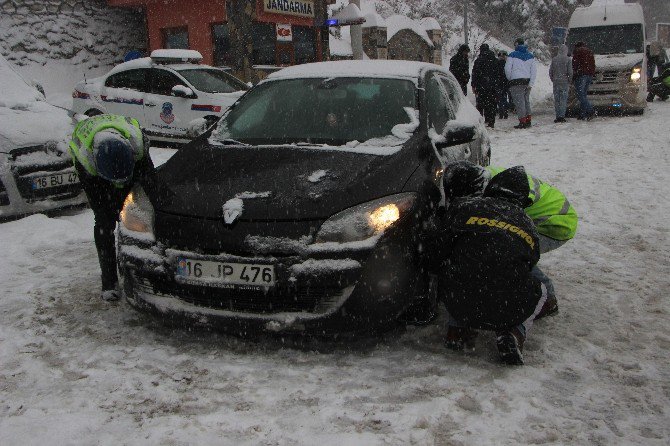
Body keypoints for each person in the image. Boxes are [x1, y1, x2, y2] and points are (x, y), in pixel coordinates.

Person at [433, 163, 547, 365]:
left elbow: (440, 249)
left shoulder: (465, 208)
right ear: (522, 199)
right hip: (507, 307)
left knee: (458, 265)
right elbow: (530, 264)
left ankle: (456, 330)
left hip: (459, 300)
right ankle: (513, 332)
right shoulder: (527, 223)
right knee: (542, 289)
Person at [68, 114, 154, 301]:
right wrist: (111, 209)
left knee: (150, 201)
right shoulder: (87, 161)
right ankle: (109, 283)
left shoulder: (138, 146)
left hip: (122, 148)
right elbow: (101, 204)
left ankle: (150, 269)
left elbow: (152, 183)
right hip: (94, 170)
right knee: (104, 222)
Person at [505, 38, 537, 129]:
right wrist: (531, 83)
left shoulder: (512, 55)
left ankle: (522, 121)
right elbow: (533, 71)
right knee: (526, 101)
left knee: (519, 102)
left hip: (516, 81)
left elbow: (507, 69)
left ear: (517, 44)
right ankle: (528, 120)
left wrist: (510, 78)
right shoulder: (530, 56)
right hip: (527, 81)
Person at [471, 43, 504, 128]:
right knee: (492, 103)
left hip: (481, 85)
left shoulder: (478, 60)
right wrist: (497, 83)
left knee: (481, 103)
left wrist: (473, 85)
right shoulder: (495, 60)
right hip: (492, 85)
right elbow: (499, 73)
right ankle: (491, 120)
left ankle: (481, 120)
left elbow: (475, 73)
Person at [549, 44, 573, 123]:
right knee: (563, 99)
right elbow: (570, 72)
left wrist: (553, 79)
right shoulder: (568, 59)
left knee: (557, 99)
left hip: (556, 81)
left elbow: (550, 71)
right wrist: (569, 80)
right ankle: (561, 116)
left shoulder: (554, 59)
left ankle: (557, 115)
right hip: (564, 82)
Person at [572, 41, 596, 120]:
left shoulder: (577, 52)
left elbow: (575, 65)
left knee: (580, 95)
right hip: (589, 75)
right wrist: (591, 73)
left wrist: (574, 75)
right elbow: (593, 64)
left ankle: (590, 111)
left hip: (581, 75)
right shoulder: (590, 52)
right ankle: (582, 113)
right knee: (584, 95)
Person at [496, 51, 510, 119]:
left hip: (498, 83)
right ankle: (505, 112)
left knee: (499, 98)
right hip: (505, 83)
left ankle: (501, 113)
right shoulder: (507, 64)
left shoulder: (496, 63)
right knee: (504, 97)